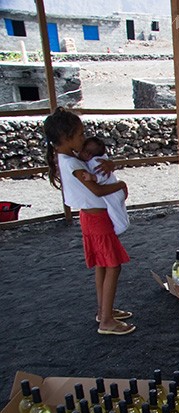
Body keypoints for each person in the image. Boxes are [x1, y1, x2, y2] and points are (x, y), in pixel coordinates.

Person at [44, 108, 135, 335]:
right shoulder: (72, 164)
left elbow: (95, 172)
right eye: (80, 136)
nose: (83, 140)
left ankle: (104, 310)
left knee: (103, 264)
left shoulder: (66, 158)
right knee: (113, 265)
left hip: (90, 218)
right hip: (97, 219)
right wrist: (121, 185)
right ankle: (106, 321)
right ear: (66, 138)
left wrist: (109, 164)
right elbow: (96, 189)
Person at [78, 136, 130, 235]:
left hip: (112, 191)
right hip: (115, 188)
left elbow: (103, 175)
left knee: (114, 210)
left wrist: (93, 177)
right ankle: (120, 225)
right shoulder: (99, 159)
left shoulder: (96, 162)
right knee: (117, 209)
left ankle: (120, 227)